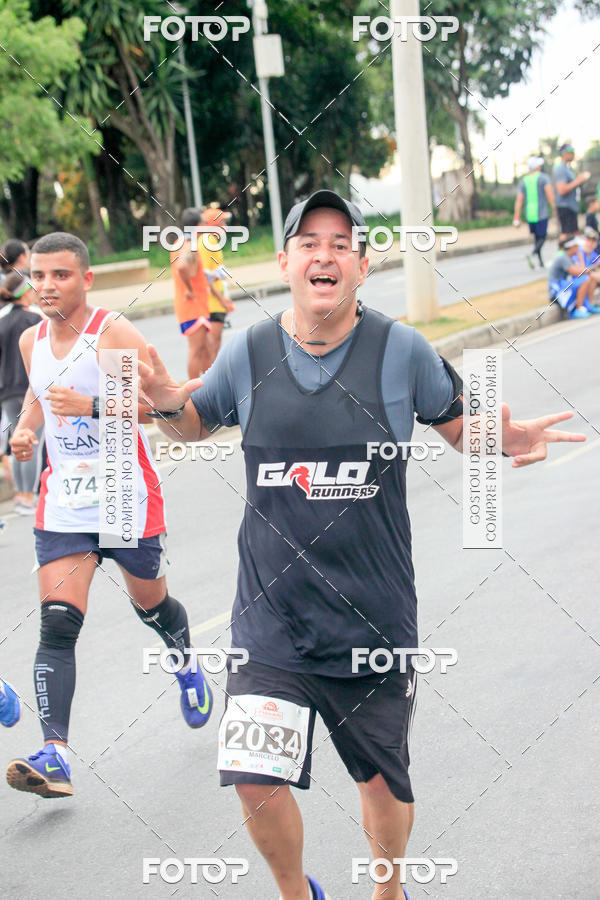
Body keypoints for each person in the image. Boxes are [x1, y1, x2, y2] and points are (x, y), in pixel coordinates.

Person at [138, 190, 586, 900]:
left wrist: (504, 438)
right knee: (254, 775)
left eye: (341, 244)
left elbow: (459, 425)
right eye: (309, 243)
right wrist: (165, 404)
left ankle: (387, 889)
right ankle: (297, 893)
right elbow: (194, 423)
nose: (325, 256)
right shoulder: (250, 351)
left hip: (371, 616)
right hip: (271, 616)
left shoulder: (401, 350)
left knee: (380, 782)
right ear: (284, 262)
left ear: (362, 265)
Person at [6, 232, 213, 801]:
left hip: (124, 491)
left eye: (61, 275)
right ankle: (55, 755)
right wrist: (24, 432)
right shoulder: (30, 340)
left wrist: (91, 405)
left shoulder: (110, 333)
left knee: (152, 606)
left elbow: (160, 406)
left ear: (86, 279)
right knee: (57, 624)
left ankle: (184, 662)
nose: (47, 285)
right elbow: (36, 396)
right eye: (38, 276)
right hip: (65, 500)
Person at [0, 272, 45, 514]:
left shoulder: (2, 321)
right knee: (32, 442)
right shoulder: (35, 318)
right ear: (26, 292)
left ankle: (21, 495)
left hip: (6, 390)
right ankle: (29, 496)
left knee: (17, 440)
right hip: (30, 388)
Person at [170, 207, 223, 380]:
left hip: (196, 305)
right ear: (199, 225)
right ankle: (193, 391)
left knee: (207, 348)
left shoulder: (183, 242)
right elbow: (182, 267)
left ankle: (207, 386)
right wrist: (190, 289)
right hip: (192, 306)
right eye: (205, 223)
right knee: (196, 350)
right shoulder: (188, 244)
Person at [199, 207, 235, 366]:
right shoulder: (207, 242)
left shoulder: (212, 241)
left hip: (216, 301)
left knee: (214, 343)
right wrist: (221, 299)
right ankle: (209, 378)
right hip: (212, 303)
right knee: (212, 345)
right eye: (223, 222)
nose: (225, 226)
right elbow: (205, 276)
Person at [513, 156, 554, 268]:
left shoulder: (524, 180)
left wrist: (516, 216)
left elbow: (519, 200)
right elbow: (550, 195)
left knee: (536, 238)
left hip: (530, 214)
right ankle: (533, 253)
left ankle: (540, 262)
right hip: (541, 212)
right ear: (538, 167)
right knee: (543, 237)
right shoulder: (543, 178)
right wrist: (554, 209)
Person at [548, 234, 600, 319]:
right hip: (557, 289)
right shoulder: (563, 257)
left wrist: (588, 269)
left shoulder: (569, 257)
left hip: (564, 285)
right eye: (577, 246)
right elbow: (577, 272)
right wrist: (589, 269)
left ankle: (589, 306)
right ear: (572, 247)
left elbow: (582, 270)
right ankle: (578, 309)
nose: (578, 248)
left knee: (590, 278)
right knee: (585, 279)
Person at [553, 144, 590, 236]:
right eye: (570, 152)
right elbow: (561, 190)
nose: (573, 154)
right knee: (566, 235)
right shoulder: (561, 169)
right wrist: (578, 181)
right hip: (565, 207)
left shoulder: (568, 168)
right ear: (563, 154)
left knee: (574, 233)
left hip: (571, 206)